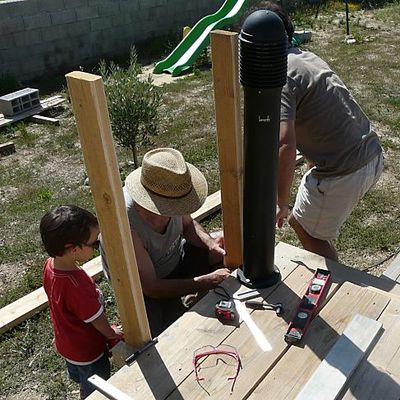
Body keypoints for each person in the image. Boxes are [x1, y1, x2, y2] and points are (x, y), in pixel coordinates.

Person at [255, 2, 383, 261]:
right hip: (371, 152)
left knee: (305, 228)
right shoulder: (305, 56)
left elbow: (284, 145)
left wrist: (280, 201)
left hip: (346, 169)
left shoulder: (282, 77)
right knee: (308, 202)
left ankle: (339, 286)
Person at [101, 148, 231, 336]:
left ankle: (186, 298)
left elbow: (188, 225)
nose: (179, 210)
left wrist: (210, 243)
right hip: (143, 291)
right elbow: (152, 287)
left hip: (172, 264)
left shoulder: (172, 193)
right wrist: (204, 282)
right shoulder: (124, 226)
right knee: (162, 337)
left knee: (221, 247)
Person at [40, 205, 123, 399]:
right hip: (88, 352)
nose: (96, 247)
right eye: (94, 243)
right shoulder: (77, 285)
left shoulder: (50, 266)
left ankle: (84, 390)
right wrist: (111, 332)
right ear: (73, 248)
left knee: (82, 378)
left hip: (67, 344)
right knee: (97, 387)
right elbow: (96, 319)